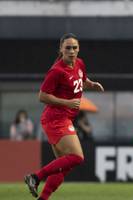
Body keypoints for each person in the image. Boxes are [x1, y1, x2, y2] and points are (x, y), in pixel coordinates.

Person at [24, 33, 104, 200]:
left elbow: (81, 78)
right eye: (68, 48)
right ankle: (36, 177)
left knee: (63, 165)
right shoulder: (56, 71)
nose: (72, 51)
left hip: (64, 118)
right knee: (77, 157)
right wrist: (67, 103)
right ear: (61, 49)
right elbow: (42, 96)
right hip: (55, 119)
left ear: (79, 49)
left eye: (75, 47)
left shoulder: (80, 63)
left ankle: (43, 198)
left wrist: (91, 84)